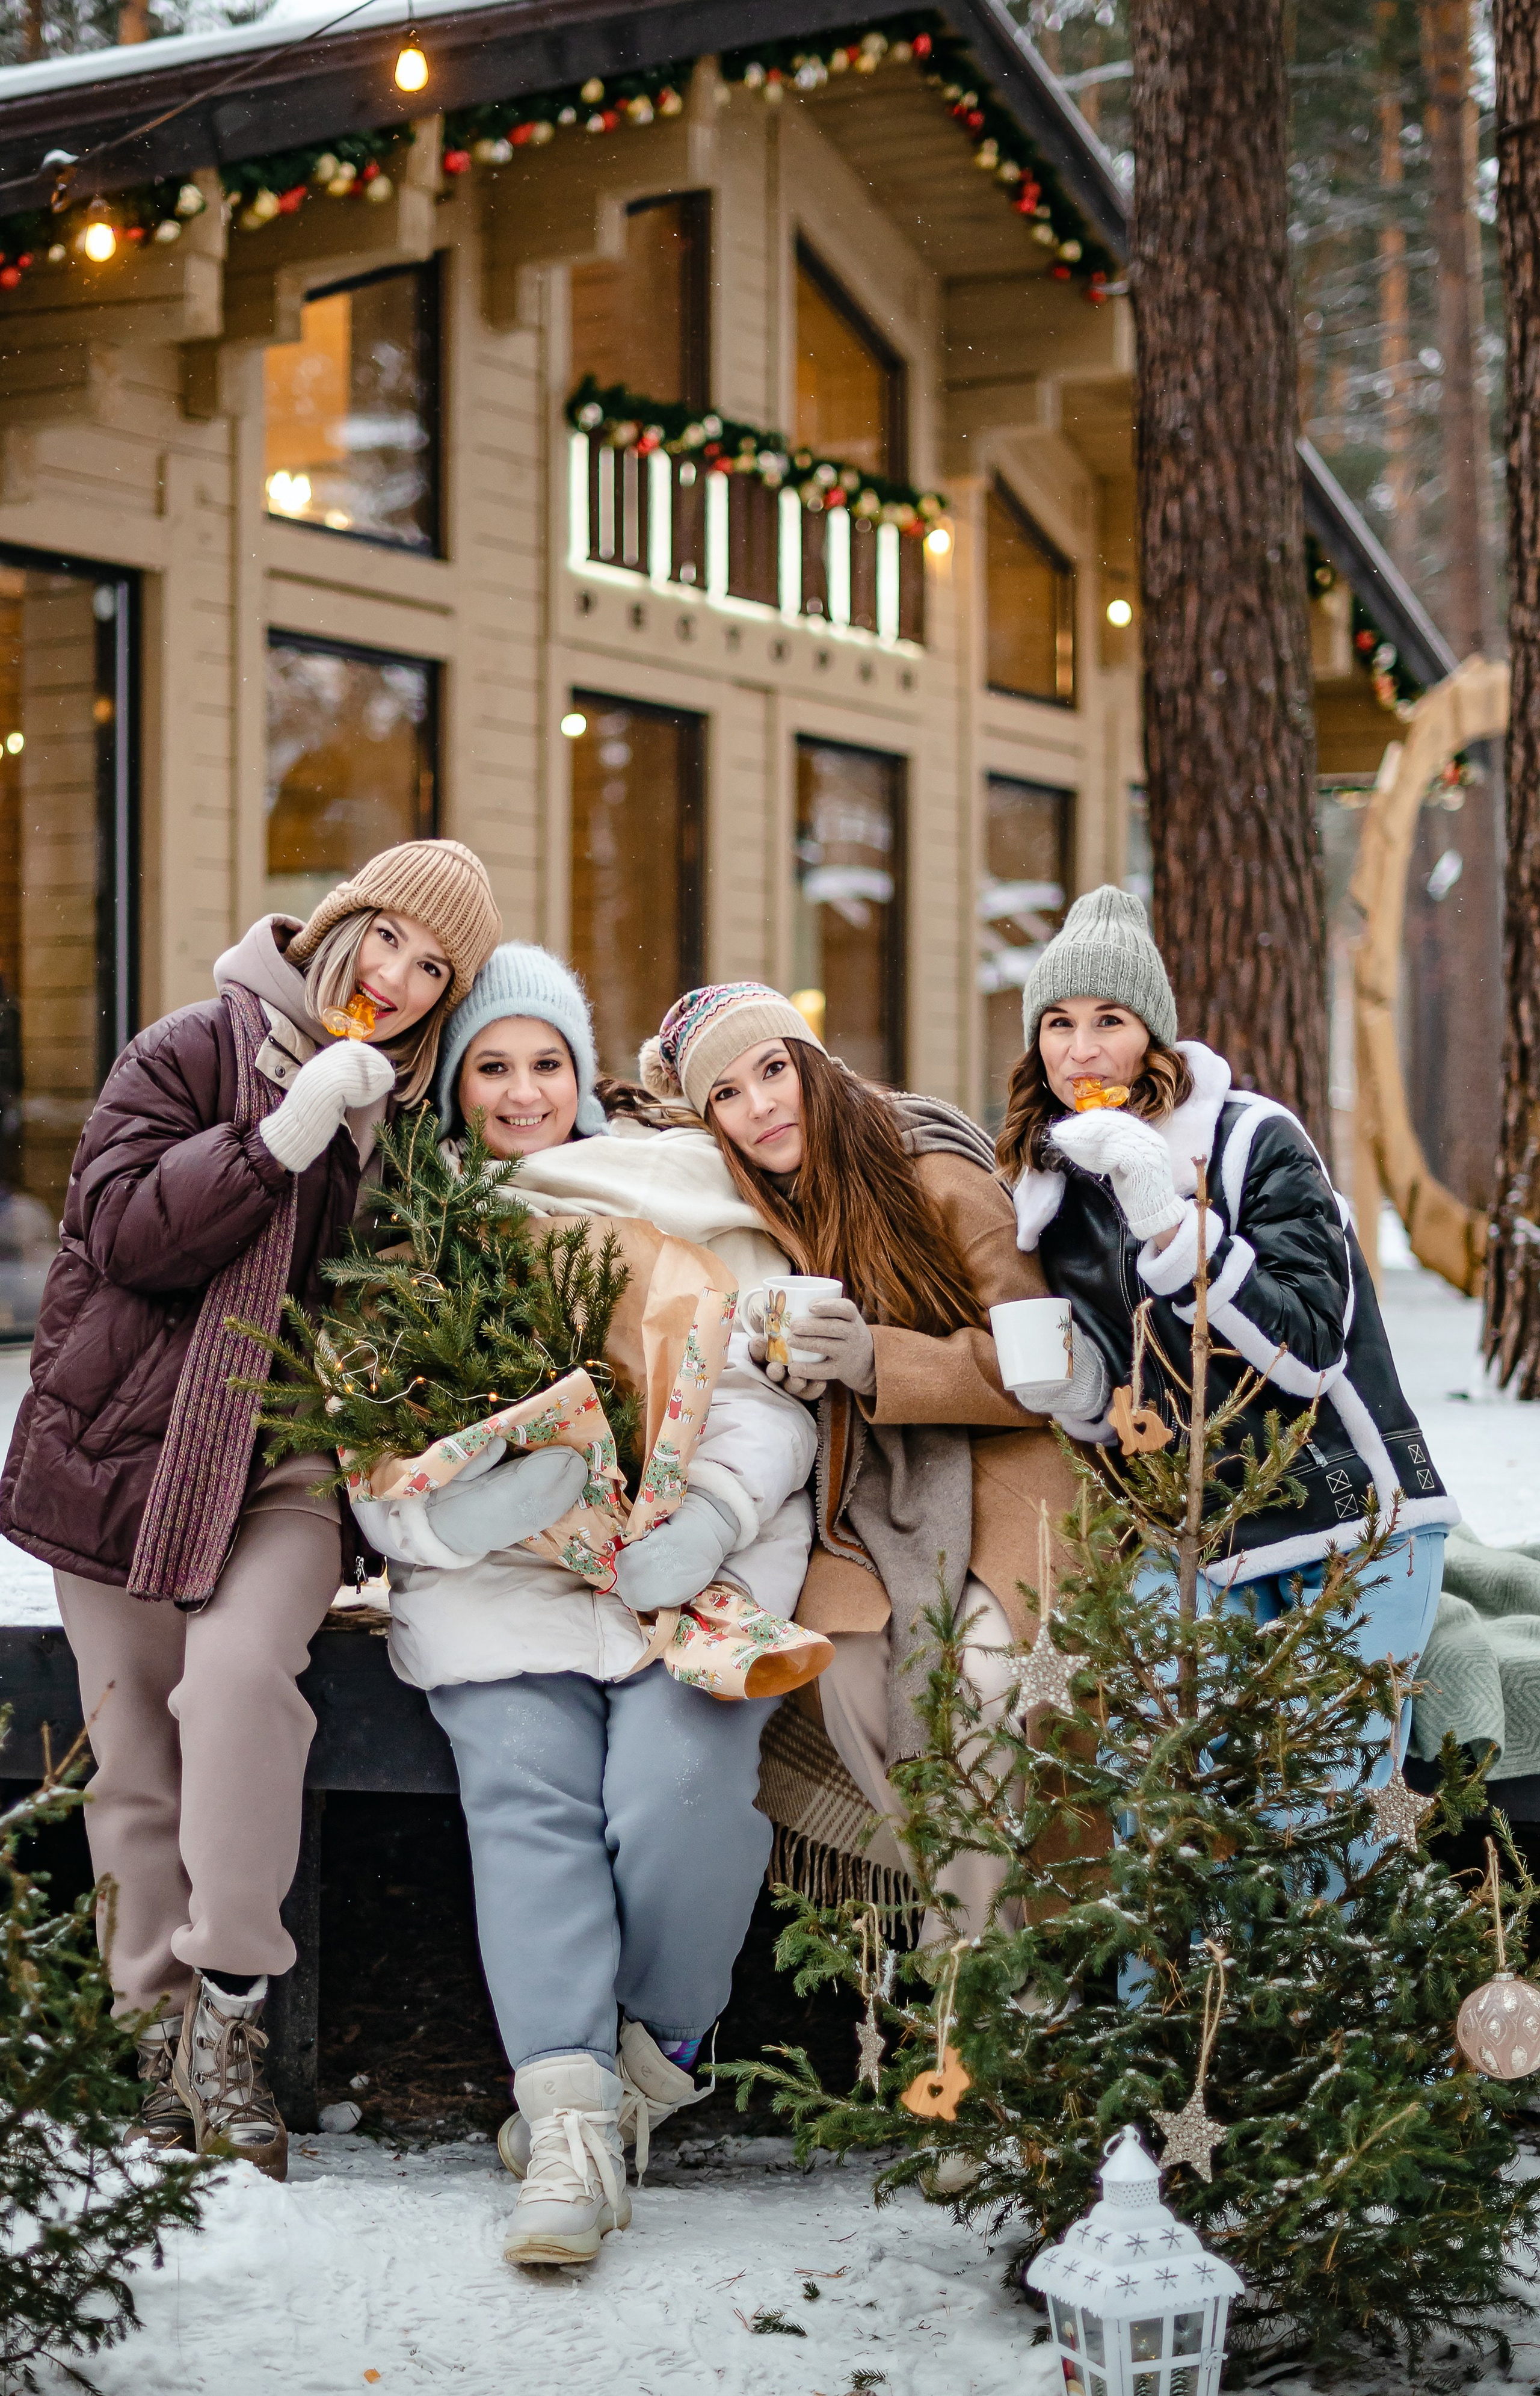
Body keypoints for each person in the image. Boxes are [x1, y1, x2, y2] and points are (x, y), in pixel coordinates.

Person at [0, 839, 502, 2181]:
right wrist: (279, 1137)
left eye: (430, 968)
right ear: (341, 924)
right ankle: (149, 2035)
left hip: (286, 1463)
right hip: (126, 1453)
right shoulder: (189, 1045)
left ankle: (227, 2011)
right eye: (386, 939)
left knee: (234, 1685)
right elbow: (120, 1234)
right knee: (132, 1762)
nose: (394, 980)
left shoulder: (406, 1117)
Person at [350, 944, 817, 2267]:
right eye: (489, 1067)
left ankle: (651, 2063)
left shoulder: (678, 1188)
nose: (519, 1092)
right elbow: (369, 1438)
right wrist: (459, 1513)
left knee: (678, 1796)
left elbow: (765, 1391)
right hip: (499, 1587)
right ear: (452, 1090)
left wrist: (715, 1512)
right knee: (531, 1803)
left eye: (544, 1061)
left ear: (583, 1073)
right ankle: (562, 2121)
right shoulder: (413, 1226)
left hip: (682, 1566)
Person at [638, 981, 1083, 1937]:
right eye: (728, 1093)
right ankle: (967, 1919)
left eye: (774, 1069)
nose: (761, 1104)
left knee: (992, 1678)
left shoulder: (928, 1171)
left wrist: (880, 1359)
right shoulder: (756, 1210)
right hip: (865, 1491)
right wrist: (790, 1375)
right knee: (843, 1668)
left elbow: (1047, 1366)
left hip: (1007, 1467)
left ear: (814, 1066)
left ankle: (985, 1971)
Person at [994, 883, 1457, 1747]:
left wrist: (1168, 1218)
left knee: (1325, 1800)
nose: (1082, 1050)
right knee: (1157, 1781)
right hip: (1197, 1538)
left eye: (1110, 1020)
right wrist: (1075, 1386)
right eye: (1057, 1023)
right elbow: (1128, 1395)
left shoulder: (1252, 1140)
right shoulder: (1042, 1195)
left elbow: (1311, 1350)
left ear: (1153, 1034)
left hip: (1351, 1517)